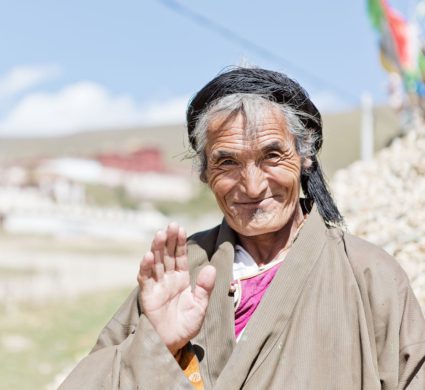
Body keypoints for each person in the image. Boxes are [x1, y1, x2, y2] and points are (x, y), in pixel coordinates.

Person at [59, 67, 425, 389]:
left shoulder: (369, 278)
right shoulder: (178, 274)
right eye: (228, 162)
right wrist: (158, 344)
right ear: (205, 173)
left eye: (271, 156)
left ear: (305, 157)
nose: (252, 186)